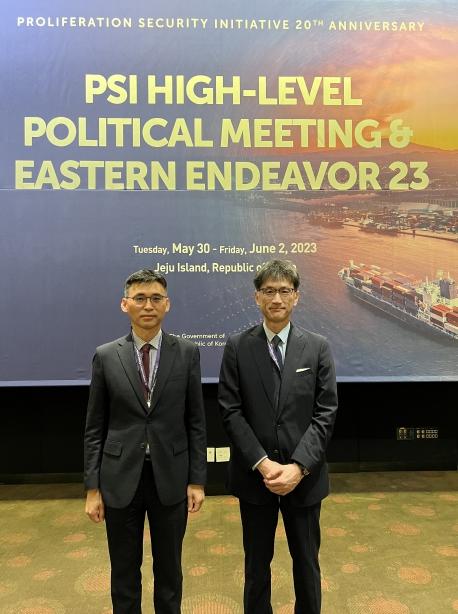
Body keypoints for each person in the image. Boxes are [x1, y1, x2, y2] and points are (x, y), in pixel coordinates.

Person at [218, 259, 338, 614]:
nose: (276, 299)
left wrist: (298, 467)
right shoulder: (237, 347)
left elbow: (325, 412)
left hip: (305, 479)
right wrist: (263, 463)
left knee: (307, 565)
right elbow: (230, 411)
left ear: (296, 297)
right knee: (256, 567)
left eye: (285, 291)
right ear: (257, 297)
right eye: (268, 291)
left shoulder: (317, 347)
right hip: (256, 478)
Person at [84, 269, 207, 614]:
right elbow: (94, 427)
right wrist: (92, 488)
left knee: (169, 571)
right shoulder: (106, 356)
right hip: (120, 479)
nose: (148, 305)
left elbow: (196, 422)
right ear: (125, 304)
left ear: (167, 304)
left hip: (171, 478)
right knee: (124, 572)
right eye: (140, 298)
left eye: (155, 298)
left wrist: (197, 480)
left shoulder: (187, 353)